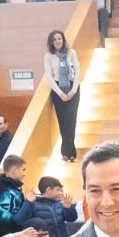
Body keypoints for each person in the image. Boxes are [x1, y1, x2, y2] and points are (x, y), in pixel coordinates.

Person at [44, 29, 81, 163]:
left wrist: (73, 90)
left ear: (63, 39)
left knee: (71, 120)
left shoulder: (72, 53)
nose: (57, 41)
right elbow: (49, 77)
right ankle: (69, 152)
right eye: (54, 39)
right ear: (51, 42)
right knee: (63, 121)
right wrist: (60, 93)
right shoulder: (48, 56)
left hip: (72, 88)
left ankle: (67, 152)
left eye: (59, 38)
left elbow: (77, 72)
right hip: (58, 89)